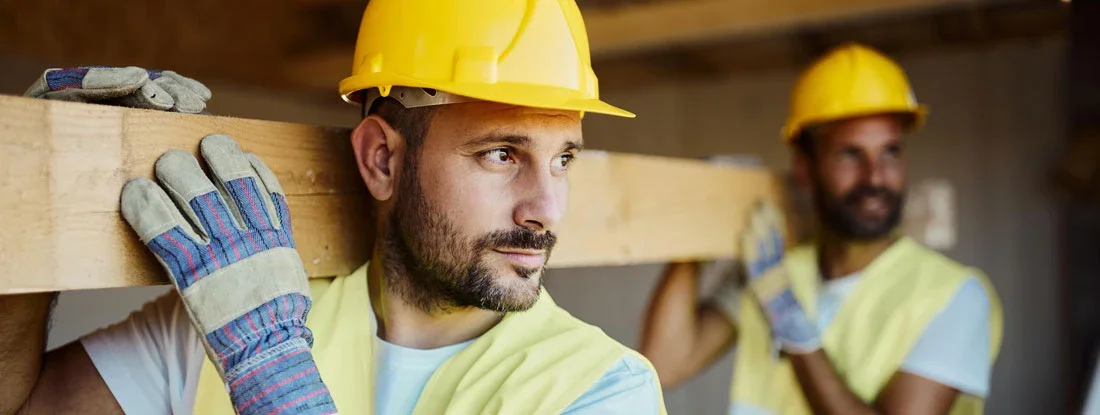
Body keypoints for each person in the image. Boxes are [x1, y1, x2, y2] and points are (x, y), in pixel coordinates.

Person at [0, 1, 668, 414]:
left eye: (565, 158)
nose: (546, 208)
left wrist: (275, 383)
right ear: (383, 159)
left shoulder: (603, 390)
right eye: (502, 154)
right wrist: (29, 202)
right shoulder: (232, 314)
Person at [640, 43, 1003, 415]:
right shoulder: (774, 271)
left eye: (890, 152)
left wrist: (790, 321)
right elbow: (665, 363)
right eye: (851, 154)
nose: (875, 176)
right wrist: (696, 227)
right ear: (804, 168)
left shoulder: (955, 297)